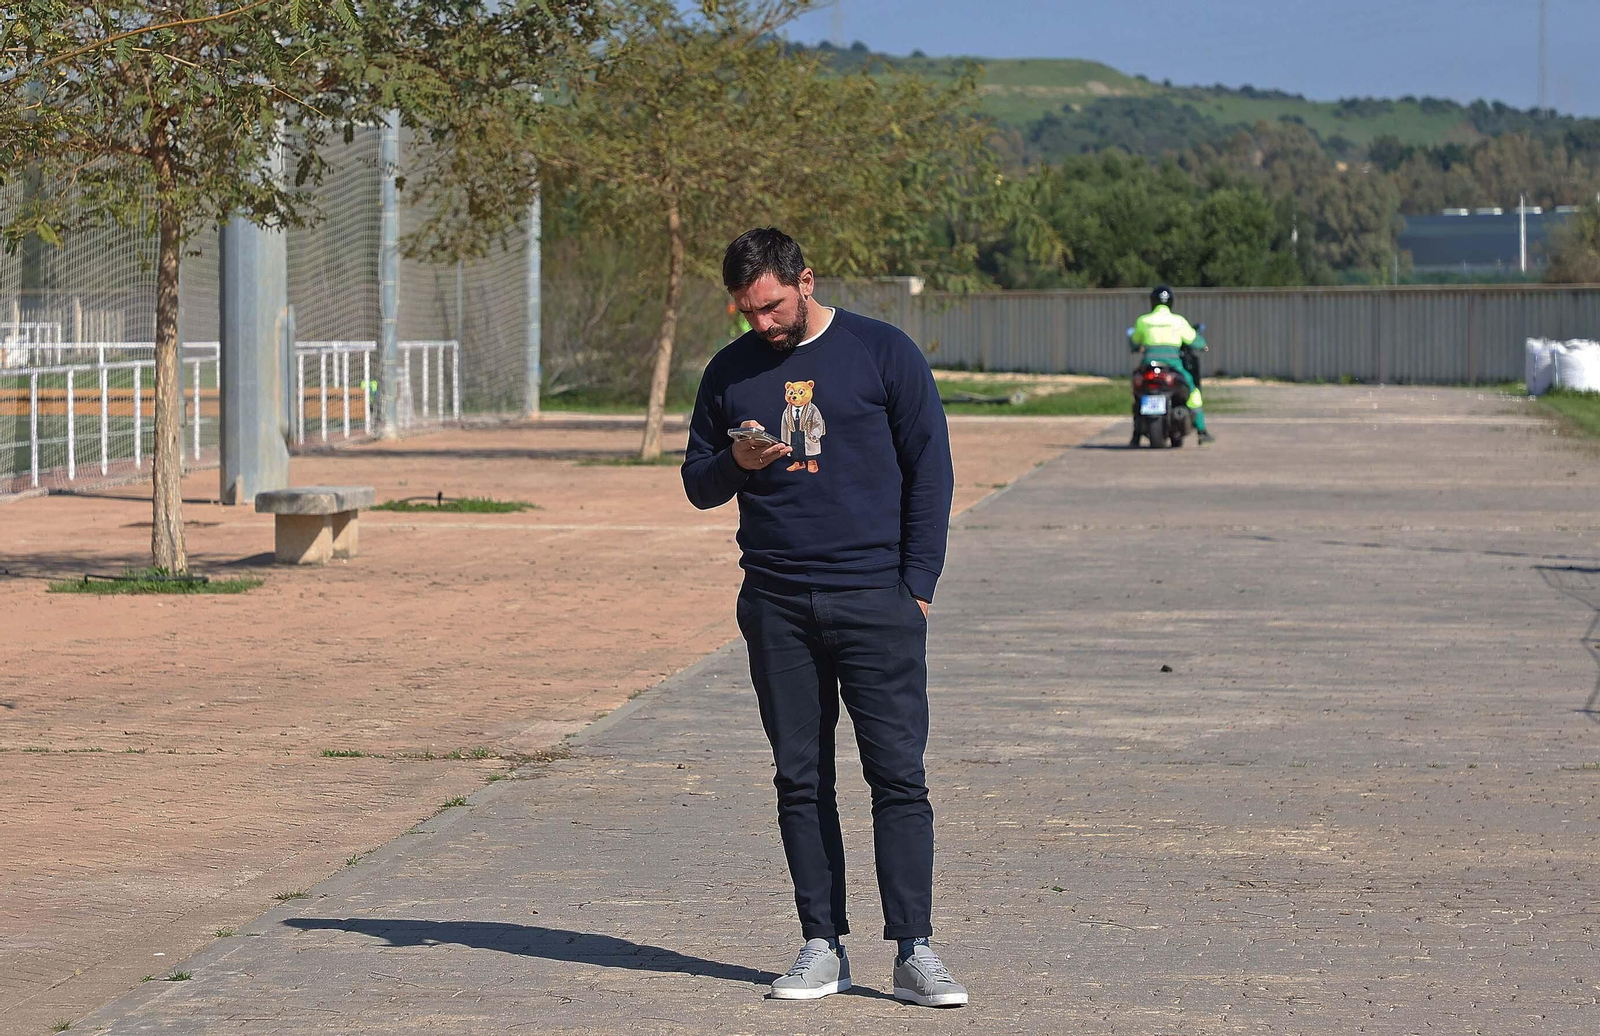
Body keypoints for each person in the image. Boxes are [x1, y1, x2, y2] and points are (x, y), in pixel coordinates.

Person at [682, 228, 967, 1008]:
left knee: (898, 777)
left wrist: (916, 585)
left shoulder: (882, 351)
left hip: (877, 598)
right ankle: (822, 945)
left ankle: (915, 950)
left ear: (805, 280)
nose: (760, 324)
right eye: (745, 311)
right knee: (799, 778)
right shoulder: (729, 370)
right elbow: (698, 486)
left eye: (770, 306)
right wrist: (734, 464)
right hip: (776, 602)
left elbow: (930, 470)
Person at [1131, 285, 1213, 445]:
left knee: (1138, 393)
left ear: (1152, 302)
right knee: (1193, 390)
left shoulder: (1143, 320)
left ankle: (1136, 435)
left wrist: (1134, 345)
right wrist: (1202, 344)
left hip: (1148, 367)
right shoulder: (1178, 321)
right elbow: (1193, 339)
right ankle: (1202, 431)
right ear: (1171, 302)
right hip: (1173, 366)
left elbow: (1134, 340)